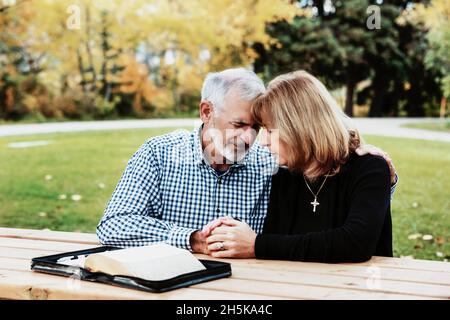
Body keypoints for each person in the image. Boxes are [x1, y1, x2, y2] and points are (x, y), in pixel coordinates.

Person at [97, 68, 397, 256]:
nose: (250, 138)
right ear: (206, 112)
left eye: (257, 127)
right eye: (239, 123)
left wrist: (361, 154)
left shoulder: (272, 163)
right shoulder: (159, 154)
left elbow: (321, 160)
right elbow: (113, 226)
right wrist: (191, 240)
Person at [205, 70, 395, 263]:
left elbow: (355, 243)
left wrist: (257, 245)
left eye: (270, 131)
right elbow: (279, 241)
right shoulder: (287, 174)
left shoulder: (370, 167)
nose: (262, 142)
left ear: (298, 128)